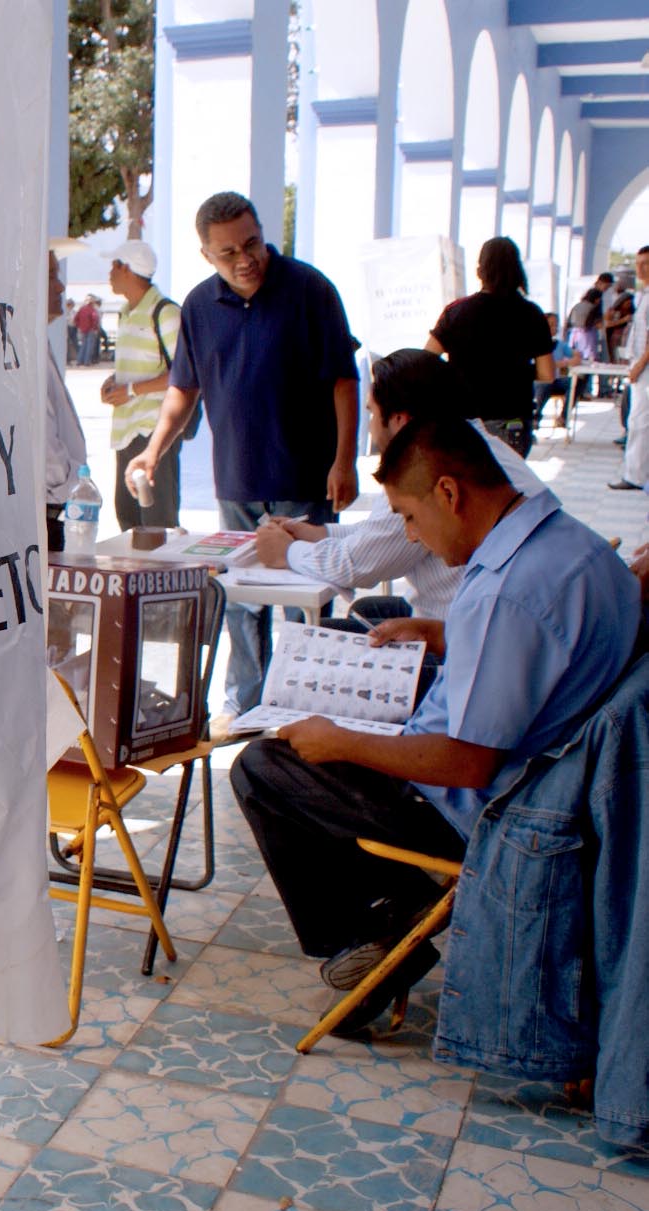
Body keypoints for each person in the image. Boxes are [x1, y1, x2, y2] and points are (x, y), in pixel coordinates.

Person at [232, 416, 640, 1035]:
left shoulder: (506, 589)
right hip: (530, 767)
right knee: (352, 658)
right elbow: (543, 650)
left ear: (449, 493)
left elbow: (465, 763)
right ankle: (390, 917)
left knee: (264, 769)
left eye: (410, 516)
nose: (411, 536)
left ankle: (380, 931)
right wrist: (448, 637)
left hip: (485, 804)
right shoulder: (569, 545)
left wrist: (342, 741)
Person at [124, 190, 360, 732]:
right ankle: (248, 701)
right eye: (228, 252)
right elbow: (184, 389)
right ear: (207, 255)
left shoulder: (310, 291)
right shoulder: (200, 307)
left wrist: (344, 460)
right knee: (242, 598)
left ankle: (304, 702)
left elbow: (343, 381)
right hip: (238, 481)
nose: (244, 258)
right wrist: (154, 448)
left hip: (307, 477)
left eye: (251, 243)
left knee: (305, 597)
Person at [253, 349, 548, 625]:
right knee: (364, 613)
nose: (369, 426)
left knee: (316, 639)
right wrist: (321, 534)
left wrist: (288, 552)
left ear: (399, 420)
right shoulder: (477, 443)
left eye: (371, 413)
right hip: (484, 617)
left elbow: (357, 565)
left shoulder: (427, 467)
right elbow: (386, 533)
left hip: (466, 628)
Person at [425, 237, 553, 458]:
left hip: (464, 421)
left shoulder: (456, 312)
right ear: (518, 270)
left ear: (479, 270)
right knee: (507, 490)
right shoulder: (532, 314)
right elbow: (547, 374)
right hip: (512, 421)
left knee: (465, 489)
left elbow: (426, 361)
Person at [100, 240, 182, 529]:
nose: (109, 273)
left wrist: (131, 390)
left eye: (113, 266)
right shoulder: (125, 312)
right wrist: (114, 384)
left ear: (127, 268)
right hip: (126, 431)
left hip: (154, 432)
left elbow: (186, 374)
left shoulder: (166, 313)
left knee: (157, 524)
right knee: (128, 518)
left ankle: (163, 576)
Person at [44, 248, 90, 548]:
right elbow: (43, 447)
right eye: (50, 275)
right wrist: (70, 482)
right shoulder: (20, 346)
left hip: (56, 509)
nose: (60, 286)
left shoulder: (37, 340)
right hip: (46, 512)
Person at [614, 247, 649, 492]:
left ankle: (635, 475)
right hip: (639, 363)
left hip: (645, 367)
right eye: (638, 263)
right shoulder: (642, 294)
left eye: (646, 263)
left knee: (639, 421)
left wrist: (639, 365)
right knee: (637, 420)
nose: (640, 268)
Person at [533, 312, 575, 429]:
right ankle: (536, 416)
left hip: (556, 380)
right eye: (551, 325)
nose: (554, 328)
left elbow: (576, 355)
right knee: (543, 383)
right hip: (540, 380)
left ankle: (563, 416)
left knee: (574, 383)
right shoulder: (534, 343)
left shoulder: (560, 344)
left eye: (556, 325)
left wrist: (564, 363)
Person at [73, 294, 102, 367]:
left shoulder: (81, 309)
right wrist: (95, 328)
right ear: (92, 303)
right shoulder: (92, 310)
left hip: (83, 329)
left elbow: (76, 319)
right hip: (90, 329)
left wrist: (79, 326)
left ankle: (79, 361)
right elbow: (95, 319)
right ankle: (86, 362)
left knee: (83, 345)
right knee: (89, 346)